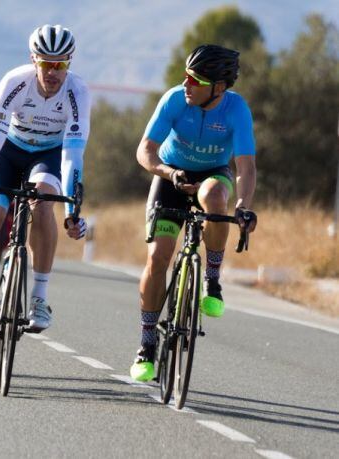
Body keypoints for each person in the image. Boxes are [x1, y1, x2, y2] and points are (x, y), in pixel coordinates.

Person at [129, 44, 258, 382]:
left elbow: (245, 166)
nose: (185, 83)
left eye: (195, 79)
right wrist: (166, 172)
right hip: (171, 175)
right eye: (185, 75)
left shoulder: (236, 110)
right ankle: (146, 344)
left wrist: (243, 206)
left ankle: (211, 278)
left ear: (218, 87)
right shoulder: (174, 99)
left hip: (212, 174)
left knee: (216, 196)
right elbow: (145, 149)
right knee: (158, 258)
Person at [0, 25, 90, 347]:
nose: (52, 71)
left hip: (48, 154)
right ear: (34, 61)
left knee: (44, 201)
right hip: (9, 151)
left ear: (69, 63)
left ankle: (39, 296)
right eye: (46, 63)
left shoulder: (78, 92)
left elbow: (73, 154)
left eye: (59, 64)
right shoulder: (15, 83)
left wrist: (74, 210)